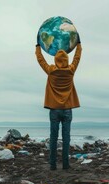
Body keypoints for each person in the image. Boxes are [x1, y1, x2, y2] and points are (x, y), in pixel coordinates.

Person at [35, 36, 82, 170]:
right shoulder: (71, 70)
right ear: (66, 59)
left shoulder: (51, 70)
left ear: (55, 59)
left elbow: (40, 59)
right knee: (66, 138)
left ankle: (52, 165)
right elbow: (77, 57)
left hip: (54, 109)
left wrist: (38, 46)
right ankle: (66, 165)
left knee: (53, 138)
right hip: (67, 109)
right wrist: (78, 44)